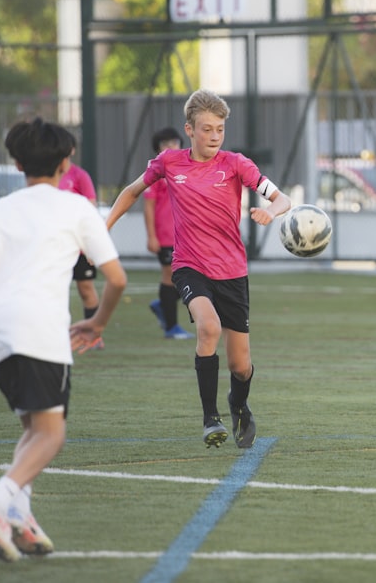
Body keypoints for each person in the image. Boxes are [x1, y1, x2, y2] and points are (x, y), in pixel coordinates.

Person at [0, 118, 127, 562]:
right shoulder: (77, 208)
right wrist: (98, 323)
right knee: (52, 434)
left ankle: (20, 514)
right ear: (67, 163)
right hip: (38, 325)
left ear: (17, 162)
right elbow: (117, 280)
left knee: (33, 425)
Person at [105, 89, 290, 449]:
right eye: (207, 129)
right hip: (189, 265)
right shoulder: (169, 162)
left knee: (241, 365)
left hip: (232, 271)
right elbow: (131, 191)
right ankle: (210, 418)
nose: (215, 136)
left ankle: (238, 404)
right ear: (189, 129)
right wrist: (103, 227)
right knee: (208, 327)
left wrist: (272, 211)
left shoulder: (236, 163)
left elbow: (281, 197)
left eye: (220, 129)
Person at [144, 126, 192, 339]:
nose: (171, 147)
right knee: (170, 277)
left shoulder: (187, 170)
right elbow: (149, 206)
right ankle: (171, 328)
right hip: (166, 235)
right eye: (165, 144)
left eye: (174, 142)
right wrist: (151, 236)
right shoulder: (156, 172)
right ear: (158, 150)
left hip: (187, 236)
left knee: (196, 276)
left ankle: (163, 303)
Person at [57, 134, 103, 348]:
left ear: (72, 150)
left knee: (86, 288)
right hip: (56, 245)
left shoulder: (80, 176)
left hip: (79, 245)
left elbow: (90, 208)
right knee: (55, 289)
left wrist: (90, 243)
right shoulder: (46, 177)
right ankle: (54, 334)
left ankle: (93, 334)